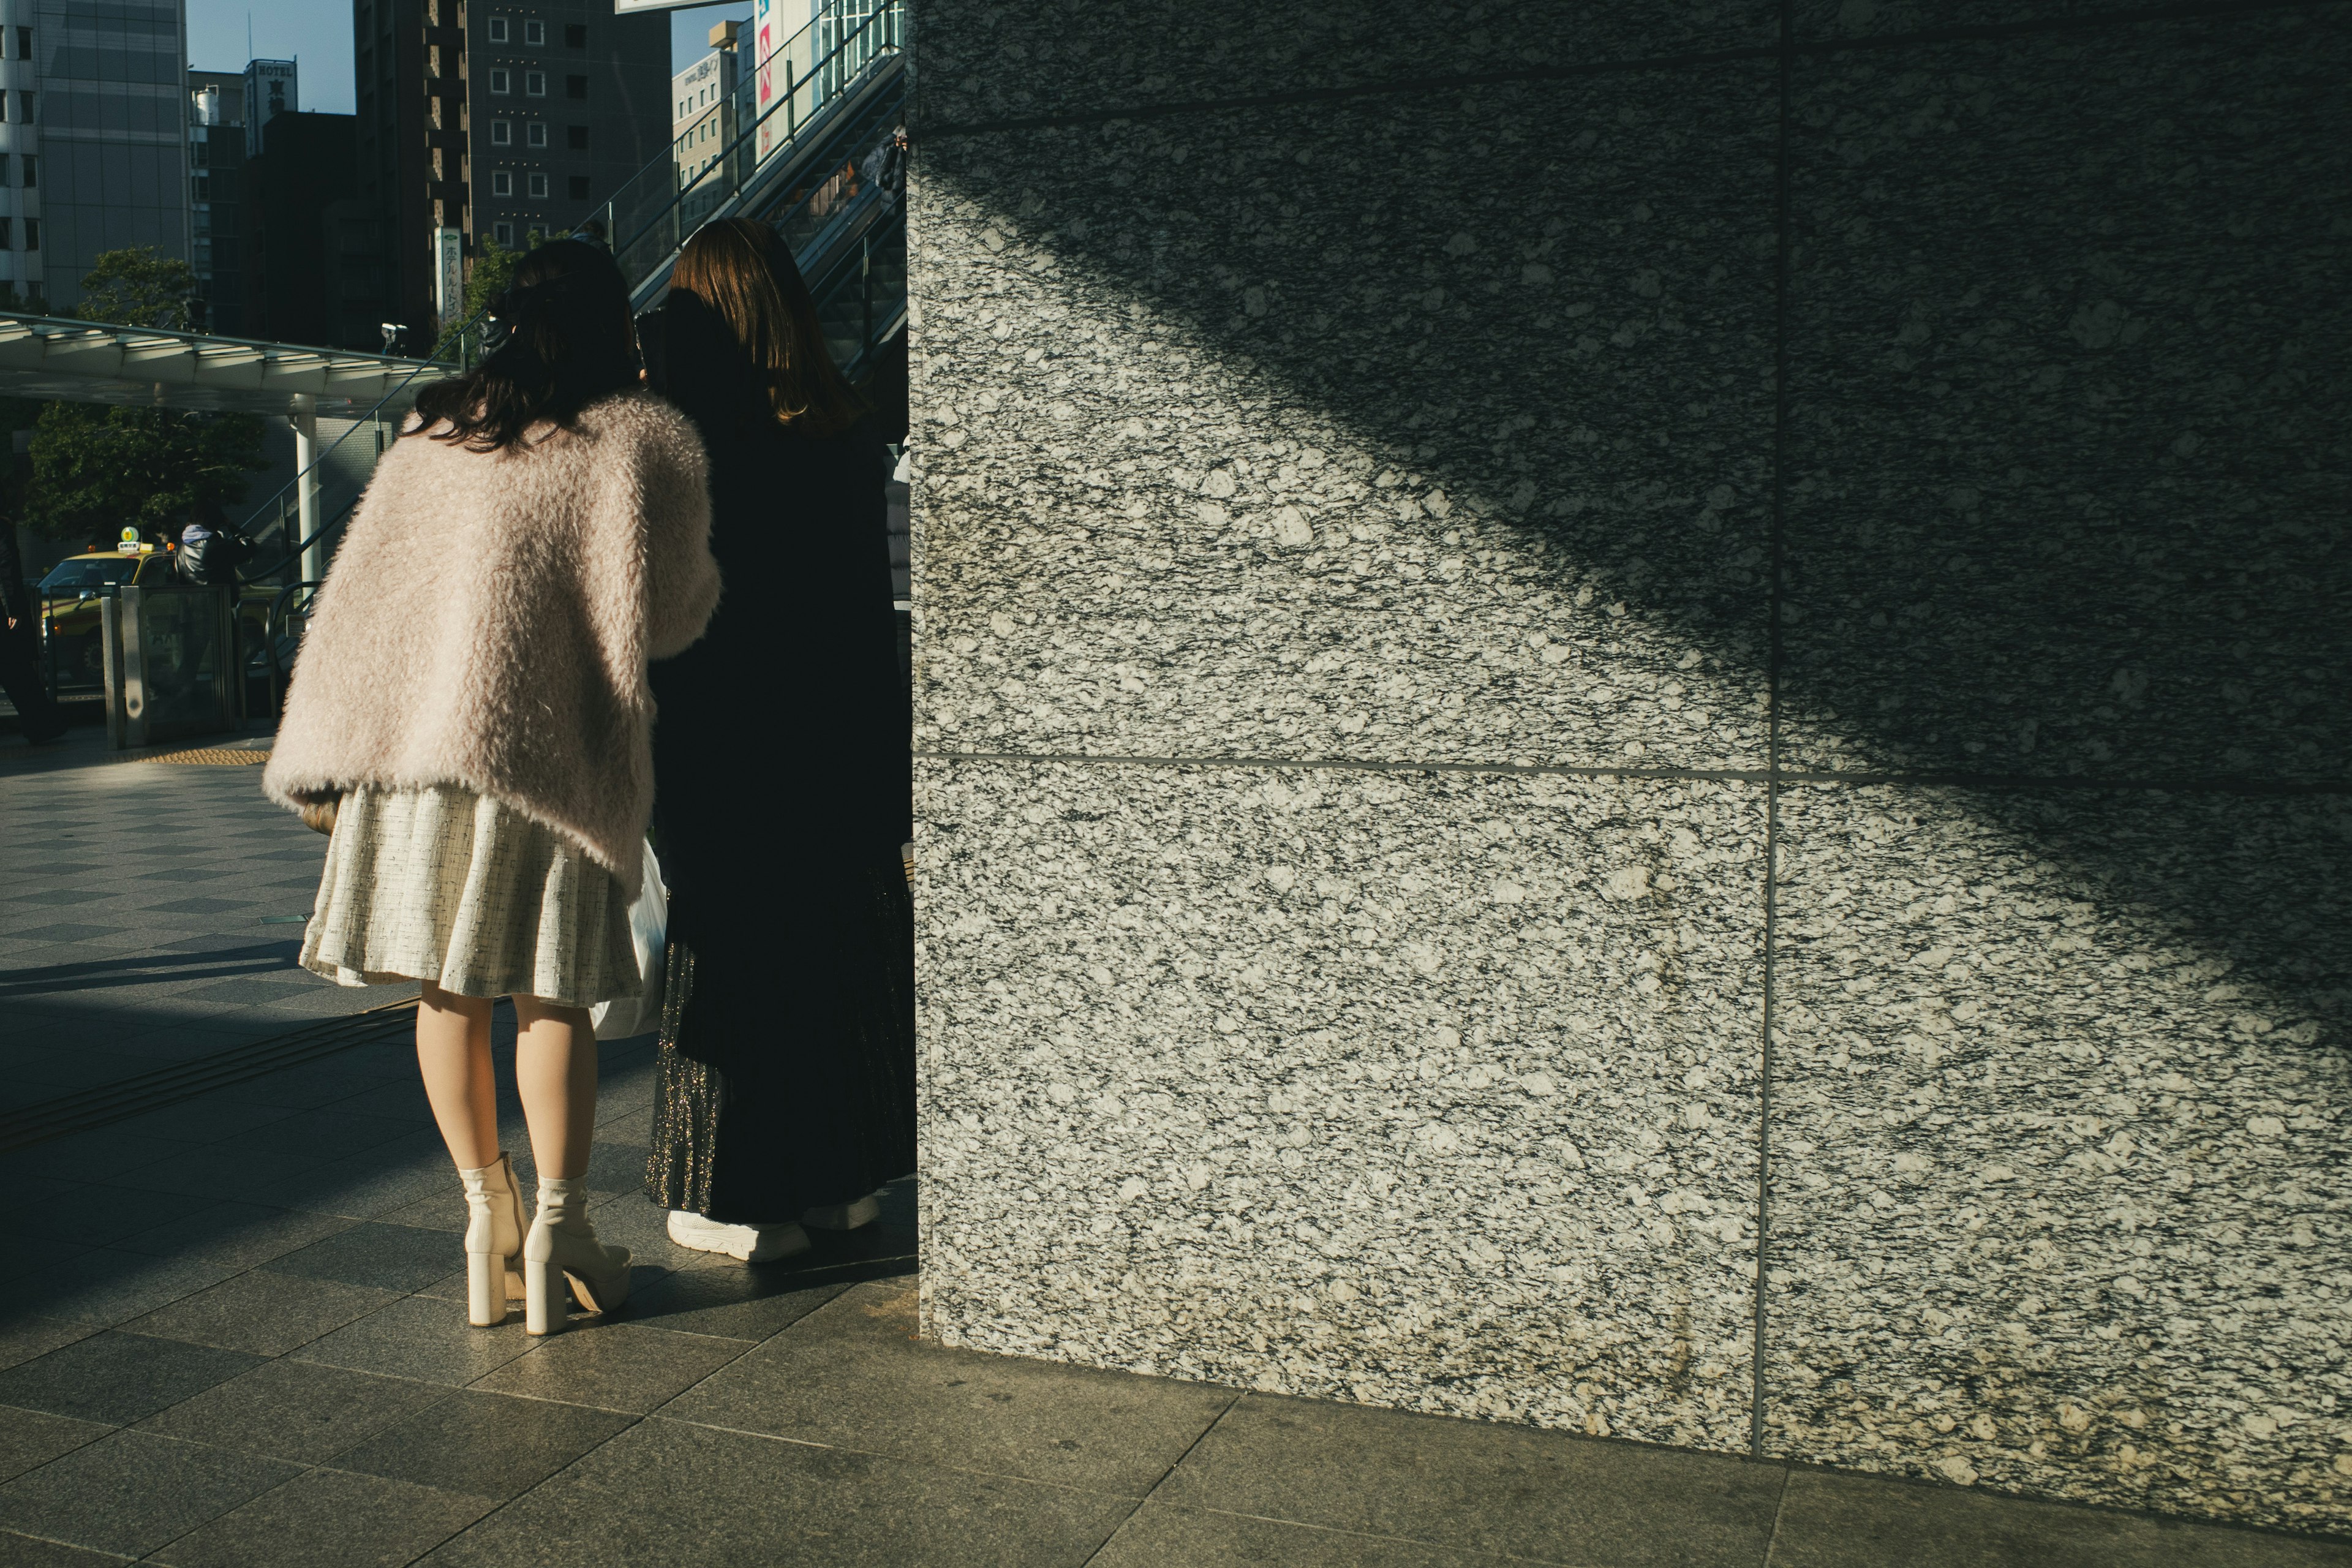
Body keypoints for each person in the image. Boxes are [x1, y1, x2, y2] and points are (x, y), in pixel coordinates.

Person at [263, 239, 721, 1334]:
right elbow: (679, 613)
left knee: (445, 992)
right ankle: (563, 1223)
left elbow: (360, 602)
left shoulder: (434, 430)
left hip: (417, 762)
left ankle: (487, 1217)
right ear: (623, 327)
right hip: (549, 767)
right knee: (549, 994)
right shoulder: (641, 437)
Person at [638, 216, 913, 1262]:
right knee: (840, 954)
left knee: (737, 971)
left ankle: (738, 1196)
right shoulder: (844, 432)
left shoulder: (691, 439)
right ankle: (843, 1188)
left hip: (725, 744)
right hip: (841, 738)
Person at [0, 450, 66, 744]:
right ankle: (42, 725)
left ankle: (42, 724)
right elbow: (8, 567)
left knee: (14, 672)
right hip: (3, 611)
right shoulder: (2, 527)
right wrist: (14, 607)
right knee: (16, 672)